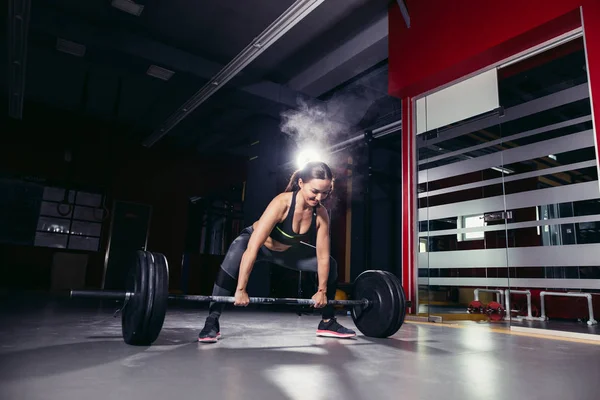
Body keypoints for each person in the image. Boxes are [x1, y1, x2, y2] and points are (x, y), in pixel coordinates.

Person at [198, 161, 356, 343]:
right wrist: (241, 289)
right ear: (301, 183)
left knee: (331, 264)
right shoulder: (282, 203)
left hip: (285, 252)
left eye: (325, 192)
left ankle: (327, 321)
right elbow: (253, 247)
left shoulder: (321, 215)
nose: (319, 197)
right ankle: (212, 321)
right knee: (234, 256)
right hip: (255, 244)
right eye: (315, 191)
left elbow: (322, 256)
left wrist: (321, 290)